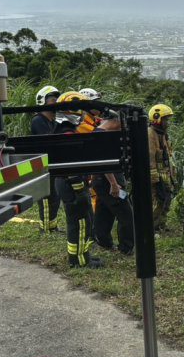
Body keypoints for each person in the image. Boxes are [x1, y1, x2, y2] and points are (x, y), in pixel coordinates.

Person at [54, 91, 101, 268]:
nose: (82, 115)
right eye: (80, 111)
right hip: (71, 183)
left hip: (68, 182)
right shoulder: (66, 132)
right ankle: (80, 260)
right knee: (79, 222)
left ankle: (83, 255)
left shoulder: (63, 129)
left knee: (80, 221)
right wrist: (79, 186)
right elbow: (69, 163)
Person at [93, 113, 135, 256]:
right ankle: (126, 247)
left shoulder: (98, 131)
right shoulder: (102, 135)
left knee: (104, 211)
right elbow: (103, 162)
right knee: (126, 213)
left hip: (100, 181)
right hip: (108, 181)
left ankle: (103, 241)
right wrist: (114, 184)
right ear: (116, 121)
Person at [31, 84, 61, 232]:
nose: (56, 102)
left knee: (55, 197)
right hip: (44, 165)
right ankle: (46, 227)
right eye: (53, 99)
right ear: (43, 101)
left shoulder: (54, 122)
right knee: (47, 197)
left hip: (53, 163)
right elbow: (49, 142)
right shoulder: (38, 120)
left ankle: (53, 225)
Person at [148, 103, 177, 230]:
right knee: (158, 201)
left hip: (165, 174)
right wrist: (154, 177)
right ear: (157, 119)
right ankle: (151, 227)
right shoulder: (151, 134)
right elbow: (150, 156)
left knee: (167, 200)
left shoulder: (162, 134)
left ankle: (161, 224)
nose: (167, 123)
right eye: (165, 119)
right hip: (158, 176)